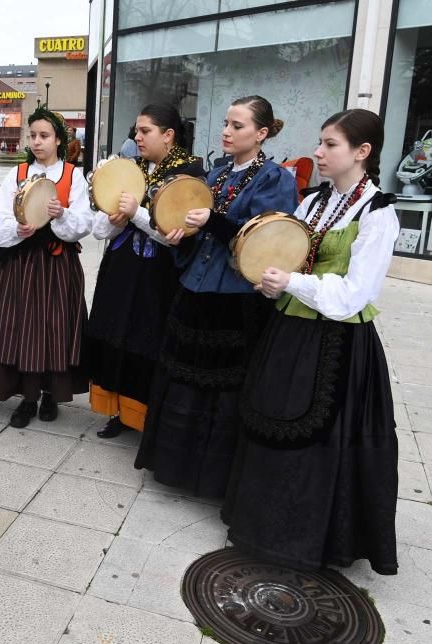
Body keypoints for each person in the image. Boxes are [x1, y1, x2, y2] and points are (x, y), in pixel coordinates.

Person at [223, 109, 399, 575]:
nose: (318, 153)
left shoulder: (379, 215)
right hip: (291, 329)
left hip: (339, 342)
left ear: (362, 152)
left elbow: (354, 295)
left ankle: (307, 542)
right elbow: (287, 258)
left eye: (330, 145)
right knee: (271, 416)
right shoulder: (314, 202)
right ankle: (262, 528)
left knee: (323, 439)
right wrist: (270, 281)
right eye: (320, 143)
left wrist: (293, 284)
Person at [134, 94, 298, 497]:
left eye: (237, 126)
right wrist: (181, 237)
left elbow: (265, 243)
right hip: (195, 287)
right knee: (183, 379)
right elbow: (196, 231)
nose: (226, 131)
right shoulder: (217, 175)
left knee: (220, 389)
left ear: (261, 133)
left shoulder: (275, 180)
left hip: (235, 296)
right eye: (226, 123)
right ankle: (177, 467)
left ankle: (211, 476)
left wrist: (213, 222)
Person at [87, 103, 205, 439]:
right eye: (136, 131)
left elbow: (176, 237)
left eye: (145, 131)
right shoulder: (130, 170)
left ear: (168, 135)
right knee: (117, 335)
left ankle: (149, 415)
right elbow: (99, 230)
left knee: (148, 341)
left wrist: (136, 214)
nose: (136, 137)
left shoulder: (189, 175)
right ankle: (121, 412)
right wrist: (114, 219)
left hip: (159, 276)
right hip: (123, 269)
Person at [0, 107, 92, 428]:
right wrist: (15, 230)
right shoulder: (18, 174)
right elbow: (0, 218)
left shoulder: (73, 176)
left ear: (59, 139)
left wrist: (61, 215)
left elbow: (85, 222)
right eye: (32, 135)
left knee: (54, 328)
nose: (37, 142)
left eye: (44, 136)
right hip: (21, 262)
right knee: (22, 328)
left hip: (57, 263)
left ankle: (50, 393)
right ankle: (27, 397)